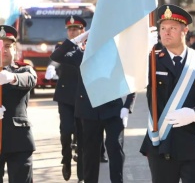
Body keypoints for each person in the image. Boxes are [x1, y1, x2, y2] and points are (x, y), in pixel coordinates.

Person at [139, 4, 195, 183]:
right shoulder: (151, 61)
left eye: (172, 28)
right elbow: (127, 76)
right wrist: (139, 51)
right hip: (163, 144)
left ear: (185, 30)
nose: (166, 32)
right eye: (163, 28)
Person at [50, 30, 136, 183]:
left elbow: (133, 79)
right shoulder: (81, 57)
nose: (89, 44)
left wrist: (128, 106)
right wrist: (77, 38)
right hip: (89, 112)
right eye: (87, 42)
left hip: (113, 110)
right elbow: (56, 56)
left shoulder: (114, 57)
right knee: (90, 153)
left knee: (114, 147)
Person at [45, 15, 85, 182]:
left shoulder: (88, 46)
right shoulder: (63, 46)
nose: (72, 31)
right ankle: (66, 160)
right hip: (65, 96)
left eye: (76, 29)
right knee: (66, 130)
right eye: (70, 29)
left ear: (83, 30)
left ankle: (82, 171)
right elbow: (55, 58)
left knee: (83, 134)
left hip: (84, 97)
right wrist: (51, 68)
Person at [0, 25, 37, 183]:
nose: (4, 50)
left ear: (15, 49)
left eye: (8, 46)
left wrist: (11, 77)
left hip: (19, 140)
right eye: (1, 46)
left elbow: (30, 80)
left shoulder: (23, 70)